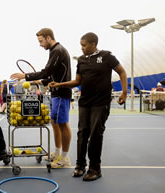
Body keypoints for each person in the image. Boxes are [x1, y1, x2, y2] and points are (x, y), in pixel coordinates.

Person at [49, 32, 127, 181]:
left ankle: (95, 169)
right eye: (81, 45)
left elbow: (122, 71)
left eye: (84, 45)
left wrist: (124, 92)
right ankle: (80, 166)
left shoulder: (107, 56)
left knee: (96, 134)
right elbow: (77, 81)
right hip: (85, 102)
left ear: (93, 44)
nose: (82, 48)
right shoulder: (82, 60)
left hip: (101, 102)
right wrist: (60, 84)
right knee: (82, 134)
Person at [10, 28, 72, 168]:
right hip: (55, 92)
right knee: (54, 122)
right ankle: (57, 153)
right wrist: (38, 82)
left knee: (63, 124)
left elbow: (47, 72)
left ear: (49, 37)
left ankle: (65, 158)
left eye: (41, 41)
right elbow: (50, 76)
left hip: (62, 93)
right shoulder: (54, 51)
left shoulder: (58, 50)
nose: (40, 44)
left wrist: (25, 76)